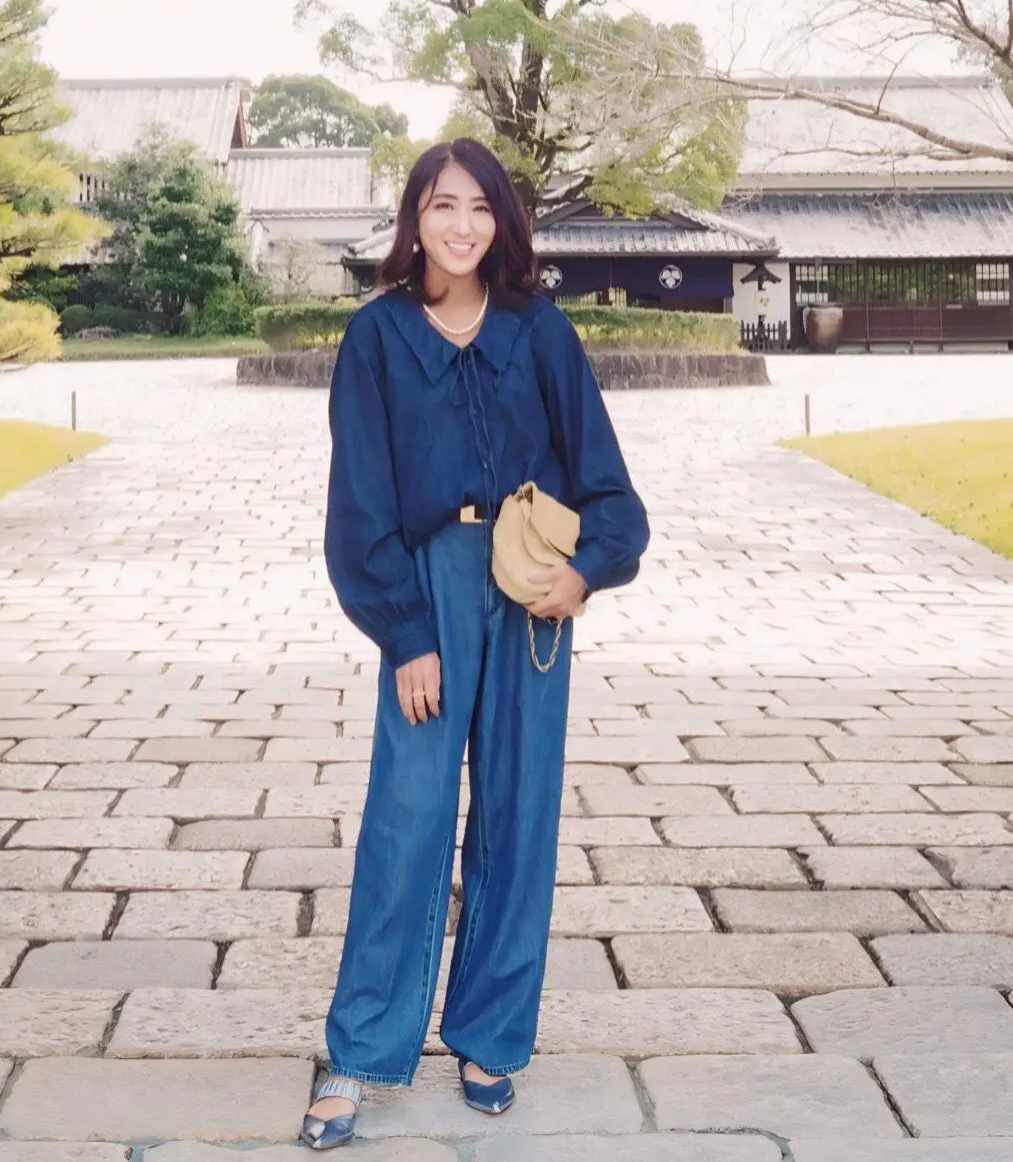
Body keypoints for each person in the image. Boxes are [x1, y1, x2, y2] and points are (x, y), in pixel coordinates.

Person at [302, 138, 650, 1151]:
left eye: (480, 208)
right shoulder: (375, 337)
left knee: (517, 814)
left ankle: (490, 1034)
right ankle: (361, 1048)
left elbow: (610, 488)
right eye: (442, 205)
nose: (461, 226)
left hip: (530, 594)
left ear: (504, 222)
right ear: (413, 219)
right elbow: (359, 503)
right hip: (425, 593)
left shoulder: (540, 331)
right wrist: (404, 631)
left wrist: (585, 573)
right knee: (406, 818)